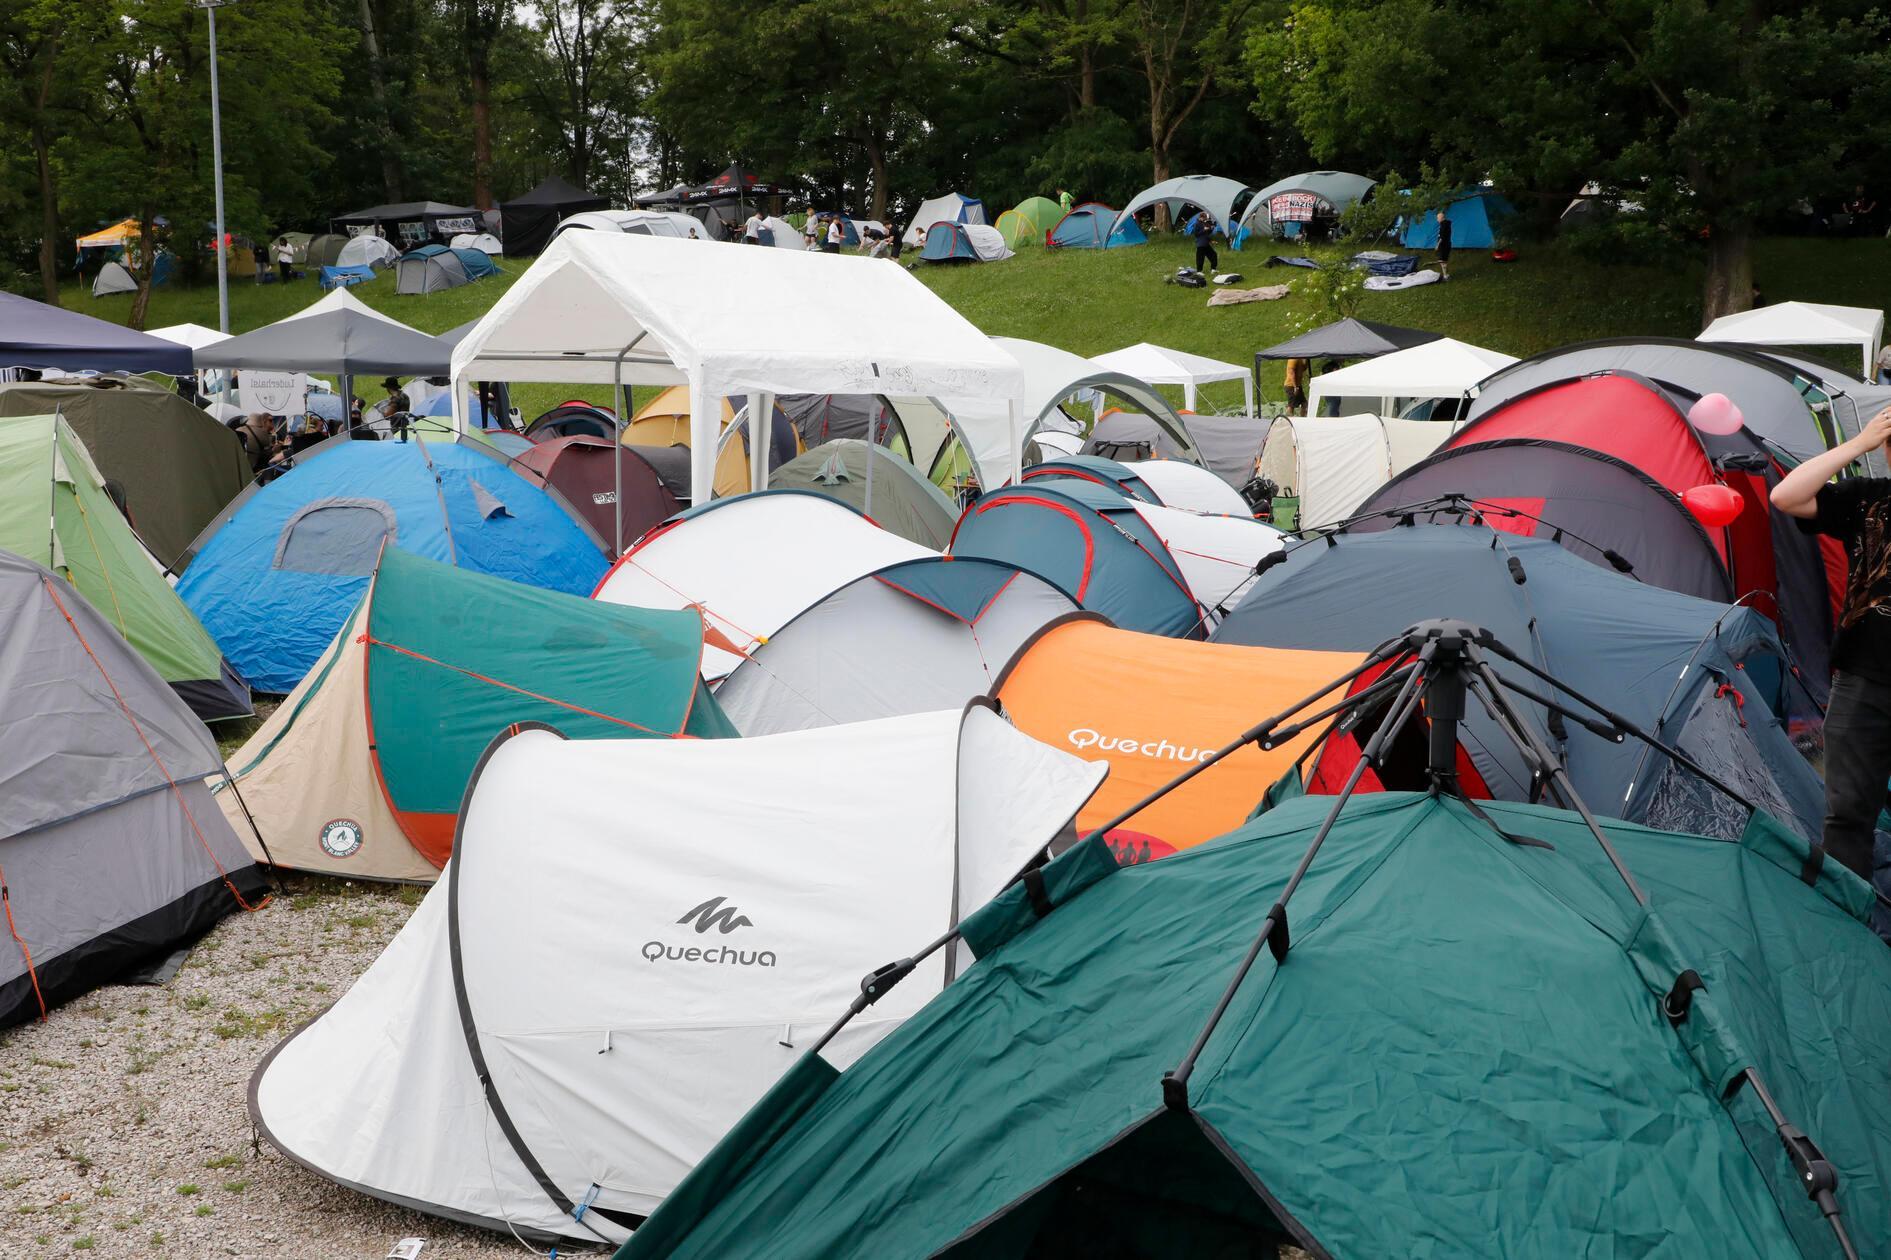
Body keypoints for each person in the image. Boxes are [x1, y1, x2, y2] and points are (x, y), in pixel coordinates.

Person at [1770, 405, 1891, 883]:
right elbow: (1786, 495)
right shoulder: (1869, 500)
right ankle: (1846, 928)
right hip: (1864, 682)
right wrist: (1857, 444)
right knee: (1846, 815)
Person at [1434, 208, 1453, 280]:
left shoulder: (1444, 225)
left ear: (1441, 218)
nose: (1437, 219)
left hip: (1443, 245)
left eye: (1438, 218)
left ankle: (1445, 276)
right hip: (1447, 244)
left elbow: (1442, 237)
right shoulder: (1446, 224)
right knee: (1444, 260)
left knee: (1442, 261)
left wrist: (1437, 245)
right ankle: (1446, 274)